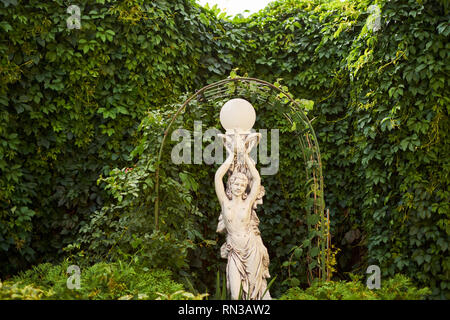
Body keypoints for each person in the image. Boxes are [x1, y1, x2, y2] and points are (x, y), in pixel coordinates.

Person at [215, 132, 271, 300]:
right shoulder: (225, 203)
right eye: (235, 184)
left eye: (242, 184)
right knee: (235, 292)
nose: (239, 187)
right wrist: (231, 155)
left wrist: (245, 156)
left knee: (254, 292)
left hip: (250, 247)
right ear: (230, 186)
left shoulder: (248, 203)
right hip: (234, 249)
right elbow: (218, 177)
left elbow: (256, 178)